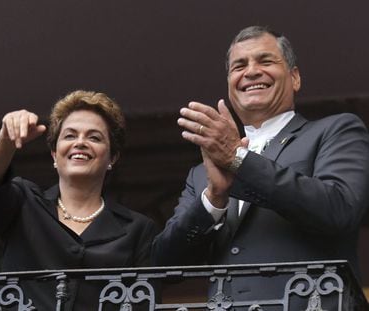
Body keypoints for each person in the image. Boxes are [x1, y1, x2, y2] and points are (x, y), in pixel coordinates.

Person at [152, 26, 369, 308]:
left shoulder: (336, 130)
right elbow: (163, 264)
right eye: (239, 66)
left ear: (295, 77)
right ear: (230, 83)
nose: (251, 71)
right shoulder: (201, 174)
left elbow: (339, 209)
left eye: (265, 61)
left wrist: (239, 161)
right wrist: (213, 201)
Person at [0, 90, 158, 310]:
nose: (80, 143)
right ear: (54, 154)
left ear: (112, 158)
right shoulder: (24, 202)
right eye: (70, 135)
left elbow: (145, 302)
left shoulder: (138, 229)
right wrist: (5, 141)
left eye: (94, 137)